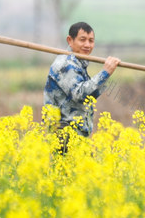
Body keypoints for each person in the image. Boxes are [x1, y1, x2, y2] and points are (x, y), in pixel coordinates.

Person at [44, 21, 121, 154]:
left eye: (91, 41)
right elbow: (80, 94)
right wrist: (105, 73)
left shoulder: (77, 63)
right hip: (64, 134)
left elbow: (88, 96)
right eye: (82, 40)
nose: (87, 45)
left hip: (76, 135)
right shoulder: (65, 64)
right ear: (70, 40)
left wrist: (105, 75)